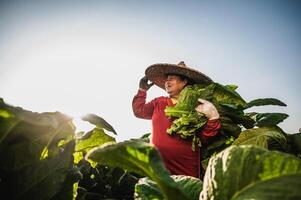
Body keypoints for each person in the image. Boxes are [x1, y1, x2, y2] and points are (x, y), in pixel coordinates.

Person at [132, 61, 221, 178]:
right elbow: (139, 111)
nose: (167, 82)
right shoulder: (159, 102)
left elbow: (204, 138)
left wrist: (214, 117)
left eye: (172, 78)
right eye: (166, 79)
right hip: (158, 167)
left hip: (186, 169)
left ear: (184, 82)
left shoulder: (198, 106)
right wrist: (142, 90)